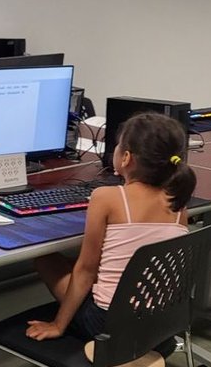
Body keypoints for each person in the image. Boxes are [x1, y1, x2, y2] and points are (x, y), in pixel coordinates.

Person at [25, 113, 196, 363]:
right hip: (160, 324)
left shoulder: (106, 197)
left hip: (107, 325)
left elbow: (86, 271)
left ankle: (68, 320)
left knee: (46, 258)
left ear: (126, 158)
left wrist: (58, 325)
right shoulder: (178, 203)